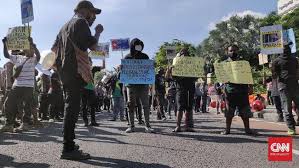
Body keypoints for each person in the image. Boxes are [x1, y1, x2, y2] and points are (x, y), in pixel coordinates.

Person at [51, 0, 104, 160]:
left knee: (71, 106)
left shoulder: (64, 26)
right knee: (72, 108)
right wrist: (98, 32)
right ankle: (68, 149)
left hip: (66, 72)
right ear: (84, 10)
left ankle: (69, 145)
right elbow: (93, 47)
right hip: (76, 71)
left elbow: (53, 51)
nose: (93, 15)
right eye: (92, 12)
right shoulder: (80, 22)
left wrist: (61, 69)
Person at [1, 37, 40, 133]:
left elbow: (38, 56)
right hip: (17, 85)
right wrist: (5, 44)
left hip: (29, 86)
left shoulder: (34, 59)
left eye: (32, 49)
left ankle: (25, 124)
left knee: (27, 106)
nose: (31, 51)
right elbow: (6, 55)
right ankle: (9, 124)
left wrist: (33, 44)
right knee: (8, 103)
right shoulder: (18, 58)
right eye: (29, 48)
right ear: (24, 50)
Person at [221, 45, 255, 135]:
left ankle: (247, 129)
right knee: (229, 112)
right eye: (231, 51)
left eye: (235, 50)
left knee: (245, 111)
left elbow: (248, 75)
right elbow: (221, 78)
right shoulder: (224, 64)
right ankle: (227, 130)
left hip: (242, 90)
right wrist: (223, 87)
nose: (233, 52)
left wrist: (251, 87)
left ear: (238, 51)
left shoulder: (243, 63)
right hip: (230, 91)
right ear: (227, 52)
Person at [124, 38, 154, 133]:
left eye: (140, 45)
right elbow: (124, 72)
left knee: (145, 105)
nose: (139, 46)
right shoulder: (127, 57)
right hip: (131, 85)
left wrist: (151, 68)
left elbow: (148, 70)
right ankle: (132, 126)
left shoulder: (145, 56)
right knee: (130, 105)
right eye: (137, 45)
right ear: (132, 46)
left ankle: (147, 125)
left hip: (143, 85)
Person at [167, 48, 197, 132]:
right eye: (182, 53)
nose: (184, 55)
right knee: (180, 108)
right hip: (180, 89)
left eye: (186, 53)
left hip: (190, 88)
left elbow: (197, 77)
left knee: (189, 107)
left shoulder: (193, 65)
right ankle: (178, 126)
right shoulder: (176, 65)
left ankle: (188, 126)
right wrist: (169, 69)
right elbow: (168, 78)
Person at [272, 43, 299, 135]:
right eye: (284, 48)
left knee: (292, 108)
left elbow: (297, 72)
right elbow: (274, 75)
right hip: (284, 88)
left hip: (294, 86)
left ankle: (293, 126)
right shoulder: (277, 61)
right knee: (288, 109)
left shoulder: (294, 60)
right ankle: (291, 128)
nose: (286, 50)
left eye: (287, 48)